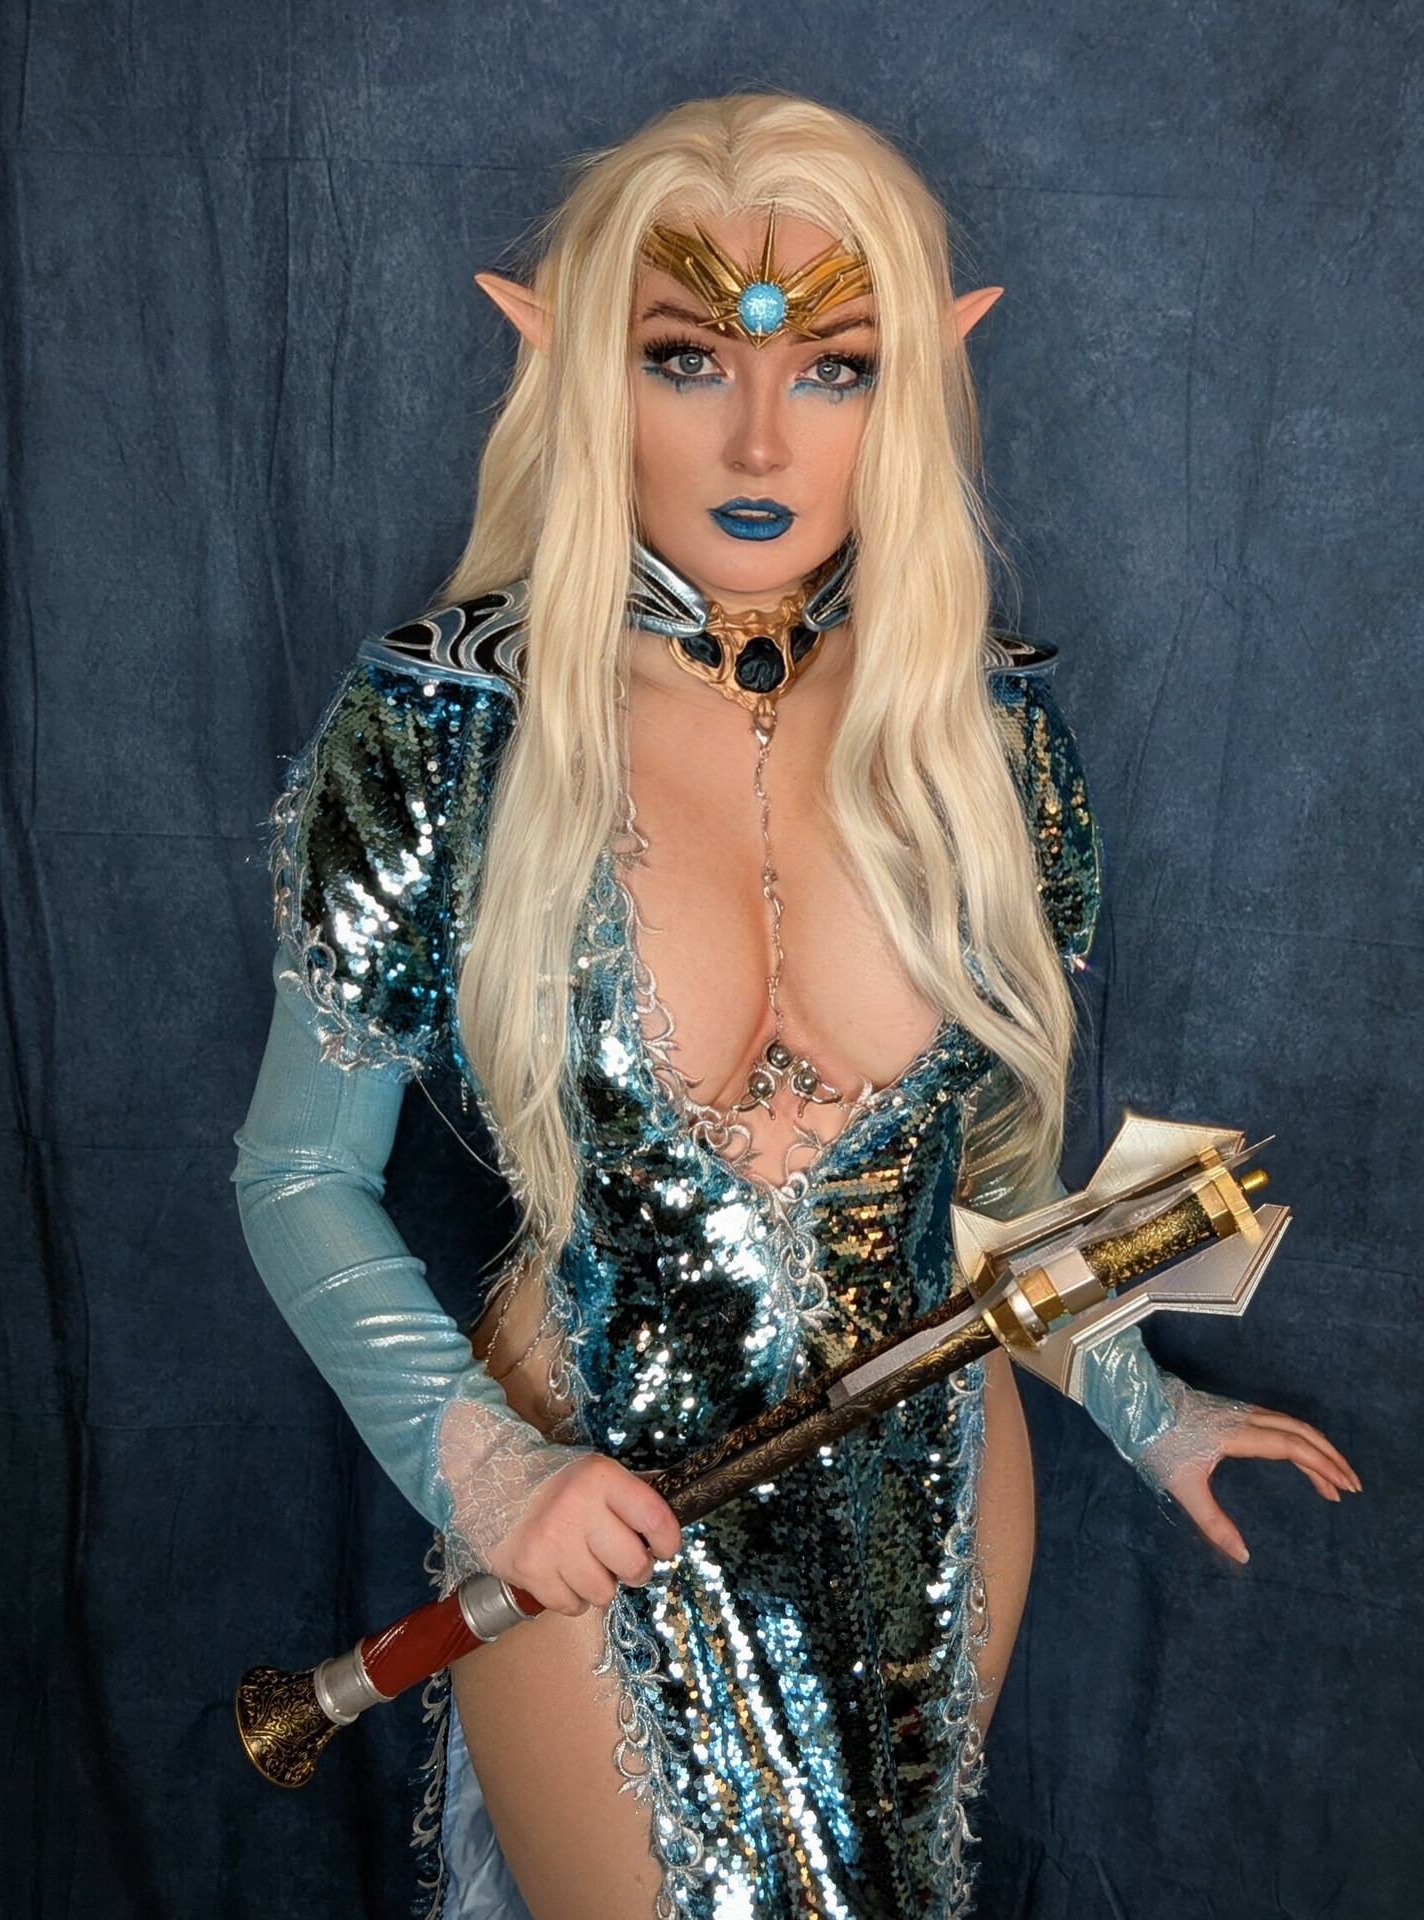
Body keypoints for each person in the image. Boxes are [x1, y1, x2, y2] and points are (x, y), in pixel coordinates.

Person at [233, 93, 1357, 1920]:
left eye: (834, 368)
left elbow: (992, 1190)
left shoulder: (983, 731)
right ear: (572, 359)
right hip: (594, 1499)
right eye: (686, 358)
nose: (760, 437)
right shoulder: (444, 728)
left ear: (915, 378)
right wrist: (491, 1476)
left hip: (936, 1491)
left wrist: (1148, 1407)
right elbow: (296, 1175)